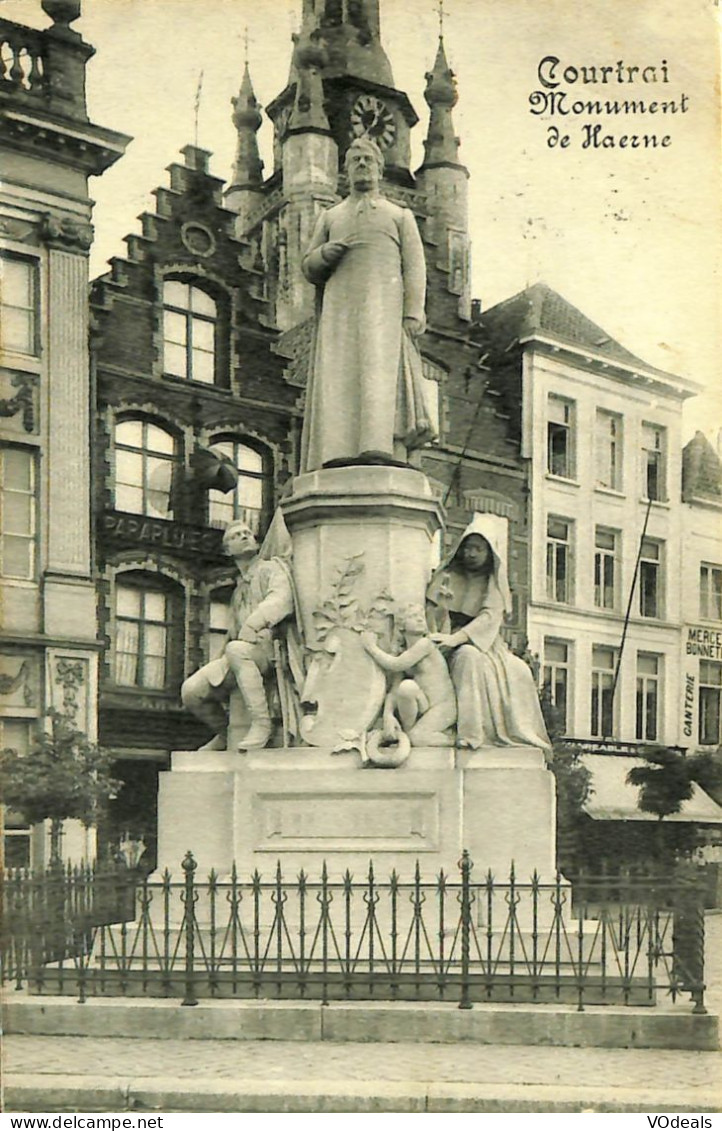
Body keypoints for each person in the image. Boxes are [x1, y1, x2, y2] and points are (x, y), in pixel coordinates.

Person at [299, 137, 436, 471]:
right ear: (346, 170)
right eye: (355, 160)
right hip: (340, 314)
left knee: (378, 374)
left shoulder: (398, 215)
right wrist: (323, 255)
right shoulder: (331, 217)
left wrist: (412, 312)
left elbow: (415, 267)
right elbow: (307, 266)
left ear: (379, 168)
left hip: (382, 311)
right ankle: (338, 447)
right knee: (341, 373)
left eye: (368, 160)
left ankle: (379, 446)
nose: (362, 165)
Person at [426, 516, 551, 751]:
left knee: (472, 658)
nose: (471, 554)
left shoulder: (492, 583)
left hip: (481, 644)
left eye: (478, 549)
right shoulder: (446, 577)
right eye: (467, 547)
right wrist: (439, 623)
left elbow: (488, 619)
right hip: (443, 637)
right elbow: (429, 612)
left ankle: (472, 734)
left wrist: (456, 639)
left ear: (489, 552)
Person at [181, 518, 295, 751]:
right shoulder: (238, 590)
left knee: (236, 650)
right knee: (191, 691)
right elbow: (231, 634)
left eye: (247, 533)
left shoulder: (270, 569)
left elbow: (281, 600)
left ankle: (262, 725)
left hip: (268, 650)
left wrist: (253, 625)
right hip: (241, 653)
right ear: (227, 550)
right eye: (236, 536)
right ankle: (225, 733)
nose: (244, 536)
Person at [361, 603, 457, 747]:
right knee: (406, 687)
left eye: (421, 616)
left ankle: (452, 739)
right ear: (401, 626)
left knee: (417, 738)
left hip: (443, 707)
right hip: (424, 704)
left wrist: (371, 648)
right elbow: (394, 690)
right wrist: (388, 715)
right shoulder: (405, 652)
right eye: (413, 616)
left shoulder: (425, 644)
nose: (420, 620)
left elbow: (396, 664)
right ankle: (408, 732)